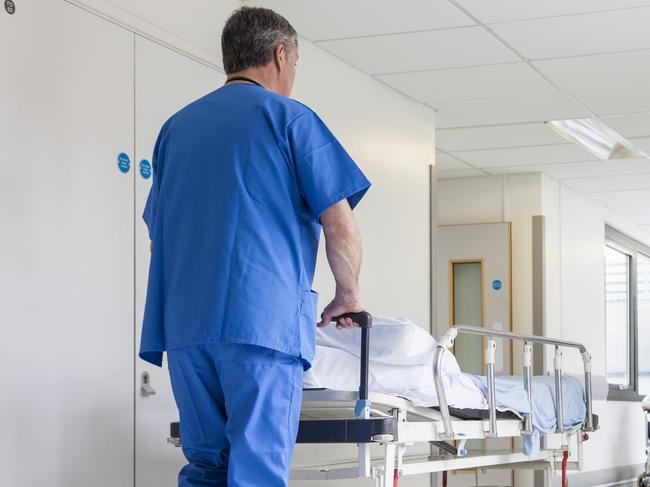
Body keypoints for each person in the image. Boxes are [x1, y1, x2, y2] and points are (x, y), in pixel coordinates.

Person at [138, 6, 371, 487]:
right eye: (296, 66)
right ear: (280, 55)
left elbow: (158, 228)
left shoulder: (175, 130)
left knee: (205, 468)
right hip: (261, 327)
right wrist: (348, 295)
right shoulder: (290, 119)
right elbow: (340, 223)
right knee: (257, 471)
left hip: (184, 329)